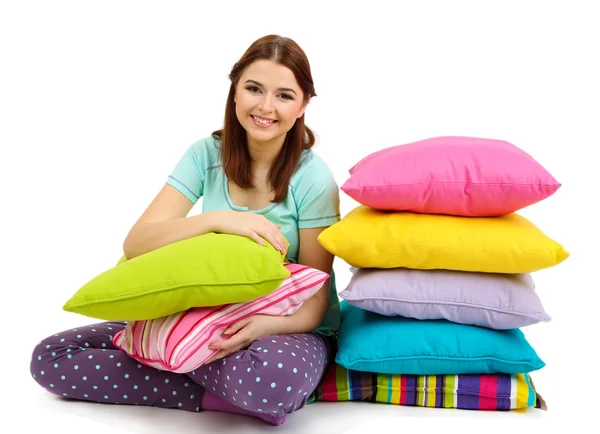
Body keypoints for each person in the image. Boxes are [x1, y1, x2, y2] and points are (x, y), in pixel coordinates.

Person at [30, 34, 341, 426]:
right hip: (202, 319)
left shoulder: (312, 176)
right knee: (51, 358)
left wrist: (262, 327)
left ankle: (191, 372)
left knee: (270, 380)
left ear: (303, 105)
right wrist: (218, 220)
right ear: (234, 91)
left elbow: (314, 300)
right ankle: (223, 393)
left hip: (285, 327)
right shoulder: (205, 155)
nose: (265, 106)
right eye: (253, 89)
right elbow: (137, 243)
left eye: (283, 95)